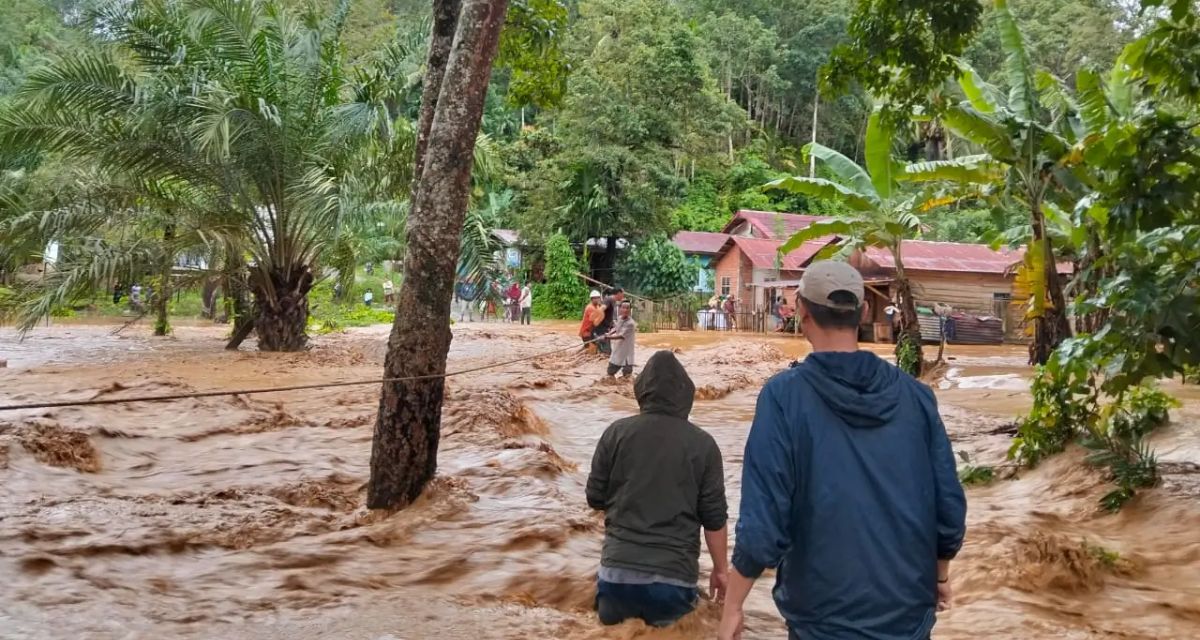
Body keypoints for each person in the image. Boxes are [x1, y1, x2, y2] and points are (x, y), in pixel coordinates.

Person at [718, 260, 967, 640]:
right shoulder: (916, 397)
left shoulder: (784, 397)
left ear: (801, 311)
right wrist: (940, 574)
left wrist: (734, 604)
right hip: (908, 616)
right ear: (864, 311)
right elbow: (949, 506)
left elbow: (764, 524)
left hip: (821, 618)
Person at [587, 350, 728, 628]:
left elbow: (595, 498)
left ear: (642, 392)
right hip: (673, 580)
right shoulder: (704, 445)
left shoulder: (615, 433)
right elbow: (714, 519)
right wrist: (721, 571)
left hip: (616, 576)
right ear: (686, 394)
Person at [605, 301, 636, 378]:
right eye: (623, 307)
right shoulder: (619, 318)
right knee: (610, 373)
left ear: (630, 310)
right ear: (620, 309)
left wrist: (608, 337)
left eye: (627, 308)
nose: (625, 310)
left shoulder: (631, 323)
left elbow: (621, 336)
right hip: (618, 351)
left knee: (627, 377)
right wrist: (609, 333)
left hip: (627, 355)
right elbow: (616, 328)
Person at [597, 288, 625, 355]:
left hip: (606, 328)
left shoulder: (613, 301)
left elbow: (610, 315)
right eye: (623, 295)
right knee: (606, 353)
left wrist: (613, 324)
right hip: (602, 329)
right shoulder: (609, 299)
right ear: (619, 294)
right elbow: (601, 309)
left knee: (607, 352)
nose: (623, 297)